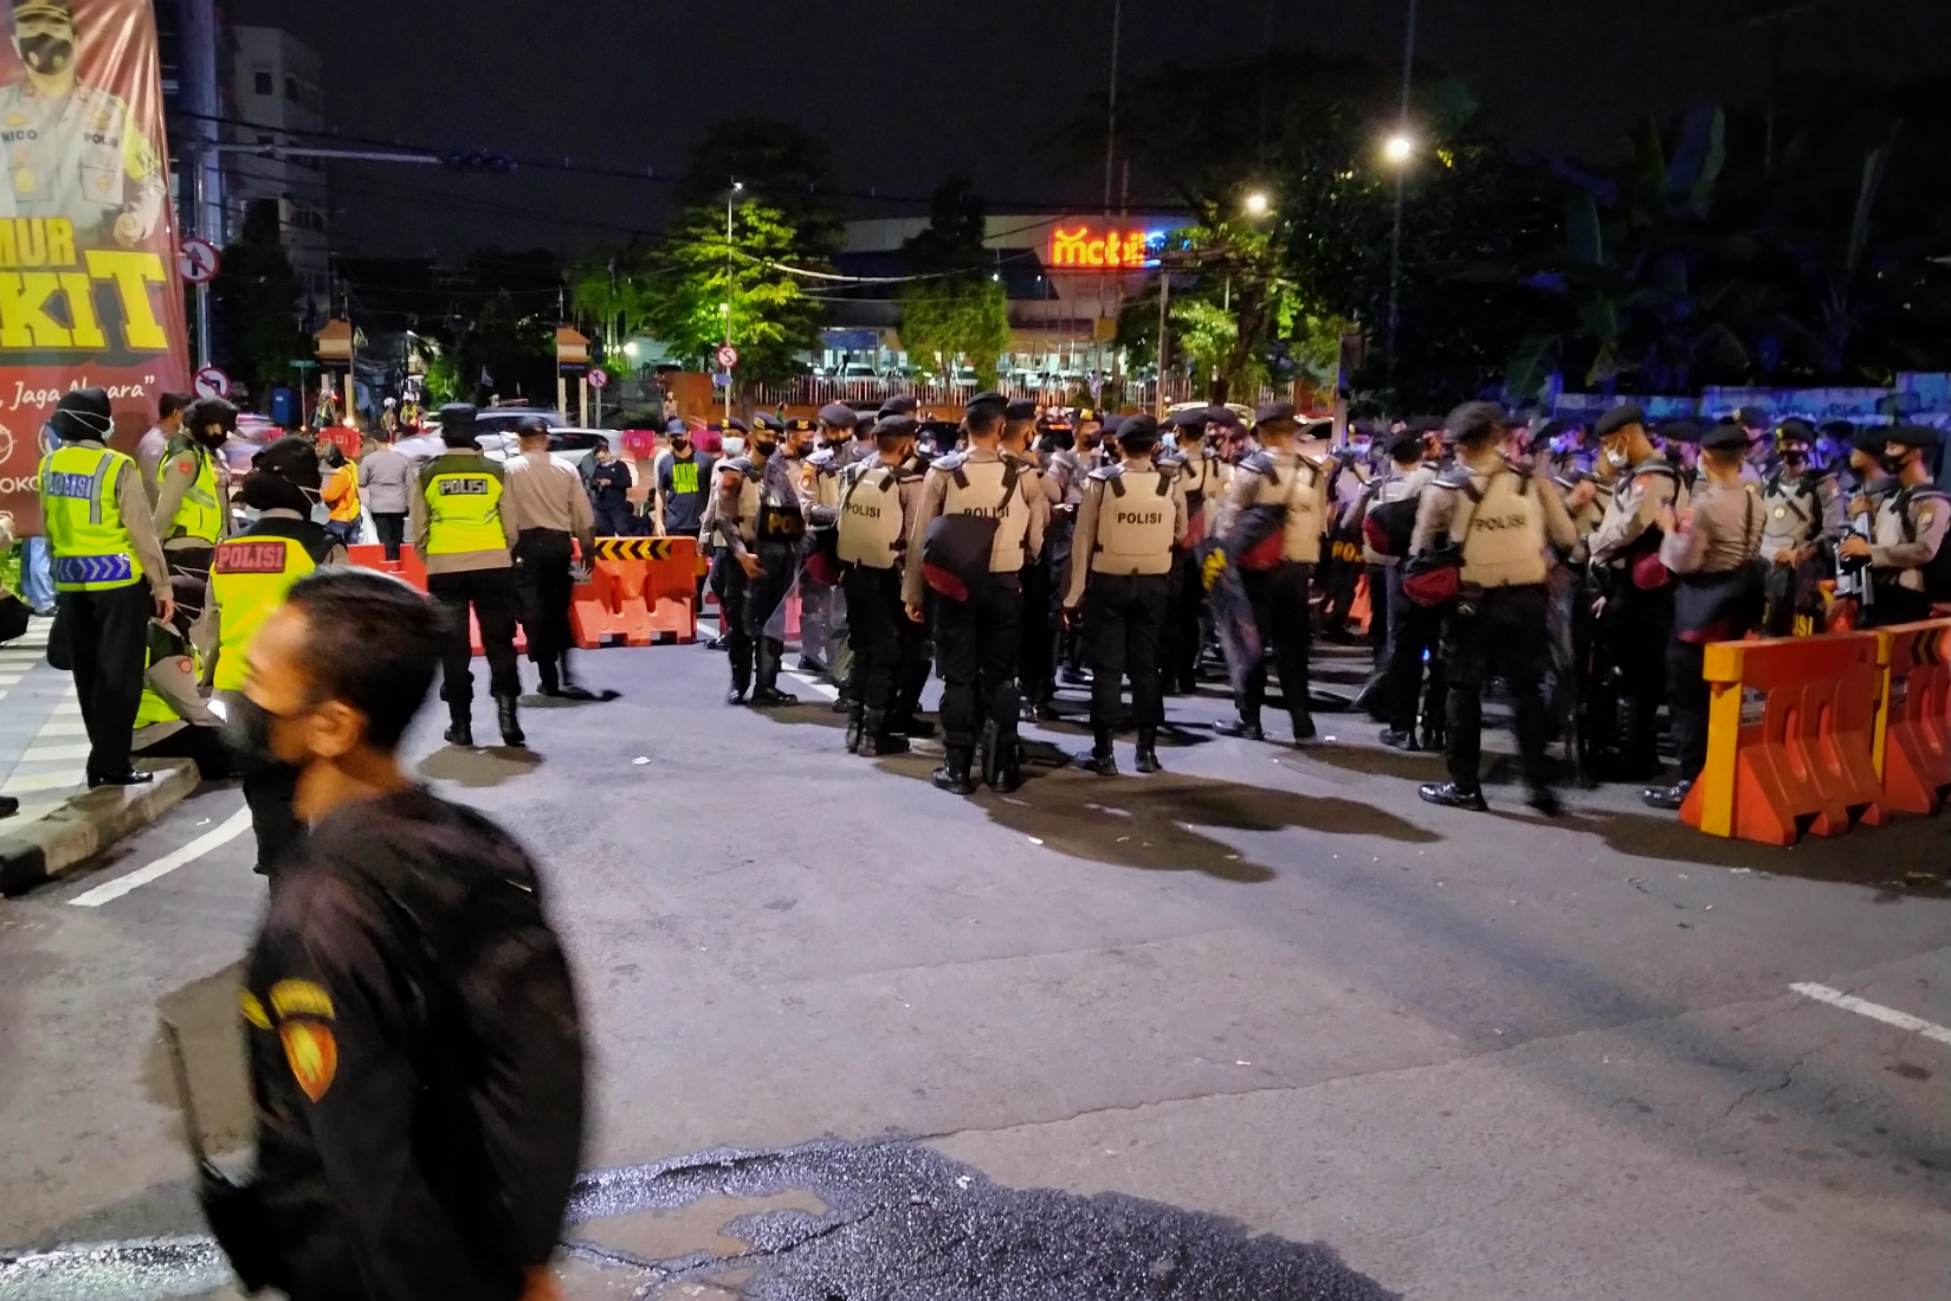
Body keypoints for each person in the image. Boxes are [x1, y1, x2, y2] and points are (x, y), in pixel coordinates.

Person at [199, 569, 584, 1301]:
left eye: (257, 681)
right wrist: (528, 1260)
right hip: (488, 1256)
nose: (242, 703)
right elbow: (543, 1082)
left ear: (333, 725)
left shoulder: (318, 913)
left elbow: (369, 1169)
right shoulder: (483, 849)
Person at [1413, 402, 1577, 815]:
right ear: (1497, 438)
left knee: (1463, 690)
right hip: (1526, 600)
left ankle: (1465, 785)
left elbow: (1420, 549)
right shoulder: (1531, 480)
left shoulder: (1445, 488)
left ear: (1459, 445)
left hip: (1470, 603)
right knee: (1526, 692)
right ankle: (1538, 785)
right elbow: (1568, 536)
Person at [207, 437, 346, 874]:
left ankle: (280, 872)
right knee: (312, 785)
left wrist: (207, 679)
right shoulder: (321, 546)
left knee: (265, 790)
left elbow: (211, 623)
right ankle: (310, 881)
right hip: (302, 689)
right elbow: (343, 622)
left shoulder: (227, 551)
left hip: (237, 688)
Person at [902, 392, 1048, 794]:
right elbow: (1037, 539)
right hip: (1005, 585)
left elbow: (921, 541)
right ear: (1002, 429)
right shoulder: (1024, 474)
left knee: (958, 678)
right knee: (1001, 678)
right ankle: (1001, 769)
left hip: (956, 589)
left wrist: (913, 593)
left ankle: (957, 768)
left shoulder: (943, 473)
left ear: (966, 426)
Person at [39, 386, 172, 789]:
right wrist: (162, 585)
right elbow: (141, 530)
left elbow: (49, 525)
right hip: (117, 583)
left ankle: (102, 754)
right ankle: (111, 764)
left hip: (71, 582)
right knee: (120, 675)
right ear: (100, 425)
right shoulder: (115, 465)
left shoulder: (50, 465)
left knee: (89, 674)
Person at [1643, 423, 1766, 810]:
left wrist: (1668, 530)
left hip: (1701, 609)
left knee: (1688, 701)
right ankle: (1722, 773)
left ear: (1707, 456)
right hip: (1739, 604)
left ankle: (1691, 781)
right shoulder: (1754, 500)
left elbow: (1683, 561)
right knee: (1726, 700)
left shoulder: (1706, 506)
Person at [1061, 415, 1187, 776]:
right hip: (1153, 584)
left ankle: (1105, 753)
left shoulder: (1102, 482)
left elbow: (1082, 541)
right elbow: (1180, 533)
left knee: (1108, 669)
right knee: (1147, 668)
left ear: (1119, 445)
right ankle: (1146, 752)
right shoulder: (1169, 483)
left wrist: (1073, 596)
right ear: (1154, 447)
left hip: (1109, 583)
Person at [0, 0, 167, 246]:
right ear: (15, 43)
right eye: (32, 29)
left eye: (55, 29)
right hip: (21, 268)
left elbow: (151, 179)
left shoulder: (112, 112)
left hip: (97, 267)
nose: (43, 38)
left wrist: (138, 220)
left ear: (76, 43)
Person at [1212, 401, 1327, 747]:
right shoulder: (1314, 471)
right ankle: (1301, 722)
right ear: (1293, 432)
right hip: (1297, 568)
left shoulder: (1253, 469)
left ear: (1261, 433)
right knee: (1293, 647)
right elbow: (1322, 521)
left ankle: (1251, 720)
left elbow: (1230, 521)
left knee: (1250, 643)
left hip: (1257, 570)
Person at [410, 404, 524, 749]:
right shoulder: (496, 471)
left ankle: (461, 725)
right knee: (500, 644)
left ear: (444, 435)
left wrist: (433, 558)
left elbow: (418, 530)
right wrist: (499, 552)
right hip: (493, 564)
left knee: (454, 649)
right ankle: (509, 722)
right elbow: (512, 527)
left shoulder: (428, 474)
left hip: (445, 567)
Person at [1586, 404, 1685, 781]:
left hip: (1643, 591)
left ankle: (1634, 756)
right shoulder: (1642, 475)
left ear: (1624, 438)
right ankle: (1635, 751)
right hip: (1629, 585)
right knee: (1632, 671)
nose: (1609, 453)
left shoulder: (1653, 478)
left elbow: (1626, 529)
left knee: (1633, 673)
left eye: (1611, 443)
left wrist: (1588, 542)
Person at [836, 416, 923, 757]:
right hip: (890, 576)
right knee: (888, 654)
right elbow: (917, 539)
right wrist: (915, 592)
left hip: (854, 573)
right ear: (906, 446)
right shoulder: (909, 482)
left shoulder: (855, 473)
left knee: (862, 649)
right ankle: (874, 735)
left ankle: (854, 728)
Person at [703, 419, 803, 707]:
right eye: (764, 434)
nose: (770, 439)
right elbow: (723, 517)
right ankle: (740, 684)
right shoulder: (734, 472)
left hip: (777, 558)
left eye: (774, 435)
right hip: (743, 559)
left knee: (773, 625)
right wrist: (741, 554)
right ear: (752, 436)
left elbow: (792, 515)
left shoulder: (779, 473)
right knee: (741, 625)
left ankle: (766, 686)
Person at [502, 415, 599, 700]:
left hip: (526, 546)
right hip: (558, 546)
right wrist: (587, 546)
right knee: (558, 610)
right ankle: (567, 671)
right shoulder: (566, 469)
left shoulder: (508, 470)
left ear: (521, 440)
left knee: (534, 614)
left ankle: (548, 676)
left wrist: (508, 550)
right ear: (544, 440)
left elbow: (507, 515)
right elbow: (582, 513)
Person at [1365, 433, 1441, 749]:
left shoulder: (1416, 482)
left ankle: (1403, 727)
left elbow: (1393, 524)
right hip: (1447, 573)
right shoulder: (1449, 479)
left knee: (1405, 649)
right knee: (1441, 653)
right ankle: (1436, 728)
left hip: (1412, 571)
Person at [1843, 425, 1950, 627]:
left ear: (1915, 453)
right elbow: (1882, 536)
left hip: (1906, 597)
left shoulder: (1932, 502)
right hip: (1878, 592)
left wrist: (1869, 551)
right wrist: (1859, 520)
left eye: (1893, 448)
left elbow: (1924, 550)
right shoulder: (1892, 496)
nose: (1886, 454)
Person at [130, 576, 232, 780]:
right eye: (203, 609)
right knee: (241, 750)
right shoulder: (163, 644)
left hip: (165, 727)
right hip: (155, 735)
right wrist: (235, 725)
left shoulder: (167, 632)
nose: (205, 616)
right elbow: (196, 710)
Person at [1758, 419, 1842, 637]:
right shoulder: (1768, 482)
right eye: (1786, 444)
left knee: (1801, 637)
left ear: (1809, 447)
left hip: (1803, 575)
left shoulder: (1823, 484)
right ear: (1777, 448)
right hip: (1766, 569)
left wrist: (1802, 553)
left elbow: (1834, 530)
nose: (1792, 450)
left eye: (1798, 444)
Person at [152, 397, 232, 596]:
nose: (225, 435)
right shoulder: (185, 457)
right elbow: (166, 509)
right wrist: (148, 554)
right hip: (186, 552)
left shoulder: (198, 452)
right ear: (206, 427)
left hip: (201, 548)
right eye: (222, 429)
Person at [358, 431, 414, 561]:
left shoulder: (369, 460)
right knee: (398, 537)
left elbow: (362, 481)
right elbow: (410, 483)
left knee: (384, 538)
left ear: (375, 442)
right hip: (399, 505)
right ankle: (400, 562)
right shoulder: (402, 459)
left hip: (379, 506)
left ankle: (388, 564)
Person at [653, 423, 713, 538]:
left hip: (701, 524)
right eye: (673, 436)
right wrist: (659, 521)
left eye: (680, 435)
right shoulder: (665, 463)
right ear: (668, 438)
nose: (677, 439)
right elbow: (660, 492)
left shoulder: (704, 460)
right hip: (674, 525)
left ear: (689, 435)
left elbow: (712, 491)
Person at [136, 392, 192, 503]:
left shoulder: (176, 440)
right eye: (188, 414)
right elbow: (158, 489)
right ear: (176, 414)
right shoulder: (153, 445)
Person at [319, 441, 361, 549]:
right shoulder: (351, 465)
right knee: (353, 549)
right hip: (355, 513)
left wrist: (321, 491)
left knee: (330, 545)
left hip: (341, 518)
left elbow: (330, 496)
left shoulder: (340, 474)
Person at [588, 441, 634, 537]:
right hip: (602, 506)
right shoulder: (598, 468)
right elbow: (591, 483)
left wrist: (611, 482)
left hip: (617, 505)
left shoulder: (620, 466)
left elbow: (627, 482)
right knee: (606, 530)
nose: (601, 461)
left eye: (603, 458)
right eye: (599, 459)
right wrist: (596, 483)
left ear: (608, 453)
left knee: (621, 528)